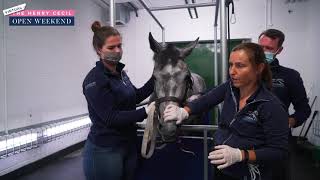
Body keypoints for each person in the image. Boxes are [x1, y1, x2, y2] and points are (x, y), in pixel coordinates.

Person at [163, 43, 289, 179]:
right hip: (222, 168)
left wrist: (241, 154)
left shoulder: (270, 105)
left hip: (249, 173)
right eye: (231, 65)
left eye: (240, 65)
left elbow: (278, 151)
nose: (232, 71)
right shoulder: (230, 88)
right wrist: (184, 111)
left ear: (259, 68)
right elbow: (207, 100)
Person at [82, 21, 155, 180]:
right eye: (111, 48)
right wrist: (145, 112)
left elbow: (135, 96)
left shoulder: (121, 74)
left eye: (119, 46)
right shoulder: (94, 80)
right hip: (105, 150)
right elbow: (110, 117)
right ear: (98, 50)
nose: (117, 51)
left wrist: (157, 77)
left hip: (128, 144)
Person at [258, 29, 311, 179]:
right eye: (261, 46)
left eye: (269, 48)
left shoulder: (290, 76)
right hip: (248, 138)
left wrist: (290, 121)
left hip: (277, 140)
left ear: (279, 50)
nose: (263, 51)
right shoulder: (246, 72)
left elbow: (303, 109)